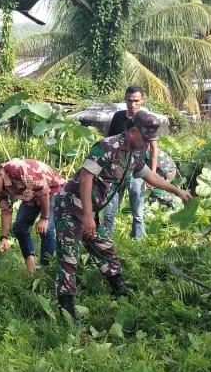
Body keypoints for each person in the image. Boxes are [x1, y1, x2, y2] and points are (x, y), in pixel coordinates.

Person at [55, 110, 192, 319]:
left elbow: (149, 176)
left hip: (92, 209)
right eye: (145, 138)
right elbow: (86, 178)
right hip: (71, 207)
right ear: (132, 131)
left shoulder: (135, 153)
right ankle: (67, 308)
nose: (148, 144)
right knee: (69, 256)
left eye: (150, 140)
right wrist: (89, 217)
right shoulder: (107, 147)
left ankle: (120, 290)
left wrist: (177, 191)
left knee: (105, 249)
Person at [0, 157, 64, 275]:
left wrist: (44, 218)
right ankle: (31, 271)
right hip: (30, 195)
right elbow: (6, 210)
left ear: (0, 174)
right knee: (19, 228)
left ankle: (45, 271)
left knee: (46, 230)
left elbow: (43, 191)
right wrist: (4, 238)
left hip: (53, 190)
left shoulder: (17, 169)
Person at [102, 85, 158, 239]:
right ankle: (107, 241)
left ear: (142, 100)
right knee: (109, 210)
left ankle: (137, 245)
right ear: (125, 100)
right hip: (116, 170)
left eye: (136, 101)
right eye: (129, 101)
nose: (132, 104)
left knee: (138, 212)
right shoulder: (118, 117)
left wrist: (152, 174)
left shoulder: (147, 120)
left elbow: (154, 149)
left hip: (136, 170)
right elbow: (107, 142)